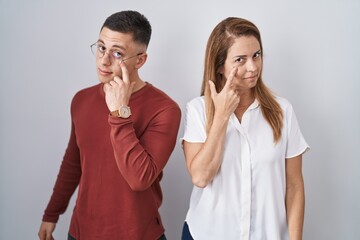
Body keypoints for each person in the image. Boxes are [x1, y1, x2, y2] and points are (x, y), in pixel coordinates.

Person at [38, 10, 181, 240]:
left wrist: (119, 113)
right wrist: (51, 213)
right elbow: (73, 162)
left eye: (117, 53)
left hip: (138, 234)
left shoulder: (165, 110)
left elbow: (140, 179)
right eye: (101, 47)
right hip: (82, 232)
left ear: (141, 59)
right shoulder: (81, 100)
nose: (103, 60)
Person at [181, 17, 309, 240]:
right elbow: (201, 177)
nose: (252, 67)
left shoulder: (282, 111)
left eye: (256, 55)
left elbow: (294, 186)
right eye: (240, 59)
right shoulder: (198, 110)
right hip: (206, 234)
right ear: (220, 66)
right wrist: (221, 115)